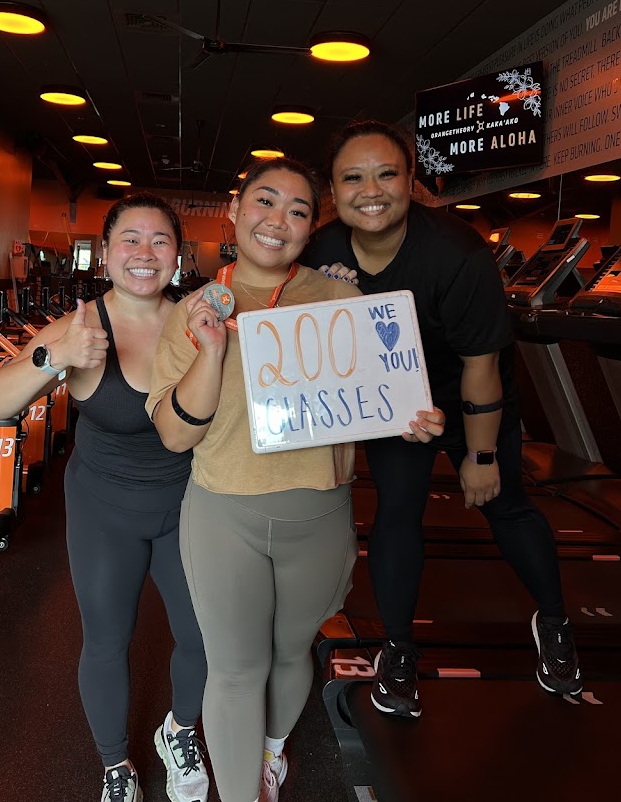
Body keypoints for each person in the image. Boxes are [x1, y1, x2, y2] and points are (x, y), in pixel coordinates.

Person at [146, 159, 445, 802]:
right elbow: (174, 435)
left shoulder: (341, 300)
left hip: (319, 515)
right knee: (235, 670)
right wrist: (211, 350)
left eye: (298, 210)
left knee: (290, 653)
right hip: (223, 514)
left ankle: (271, 754)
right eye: (264, 201)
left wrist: (414, 418)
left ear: (312, 228)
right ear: (235, 210)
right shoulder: (192, 311)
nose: (277, 220)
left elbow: (381, 397)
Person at [301, 119, 583, 719]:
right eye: (352, 178)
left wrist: (479, 456)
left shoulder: (457, 252)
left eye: (386, 174)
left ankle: (555, 619)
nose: (370, 190)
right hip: (395, 403)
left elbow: (482, 365)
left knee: (503, 503)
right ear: (333, 189)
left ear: (411, 181)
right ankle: (398, 649)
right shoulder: (322, 251)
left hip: (468, 394)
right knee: (397, 509)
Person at [0, 193, 210, 802]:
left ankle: (180, 730)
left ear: (178, 255)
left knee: (205, 637)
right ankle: (115, 766)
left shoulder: (199, 323)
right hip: (103, 507)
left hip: (188, 504)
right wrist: (55, 357)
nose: (144, 252)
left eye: (159, 240)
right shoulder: (80, 326)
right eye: (129, 239)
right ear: (105, 253)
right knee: (107, 639)